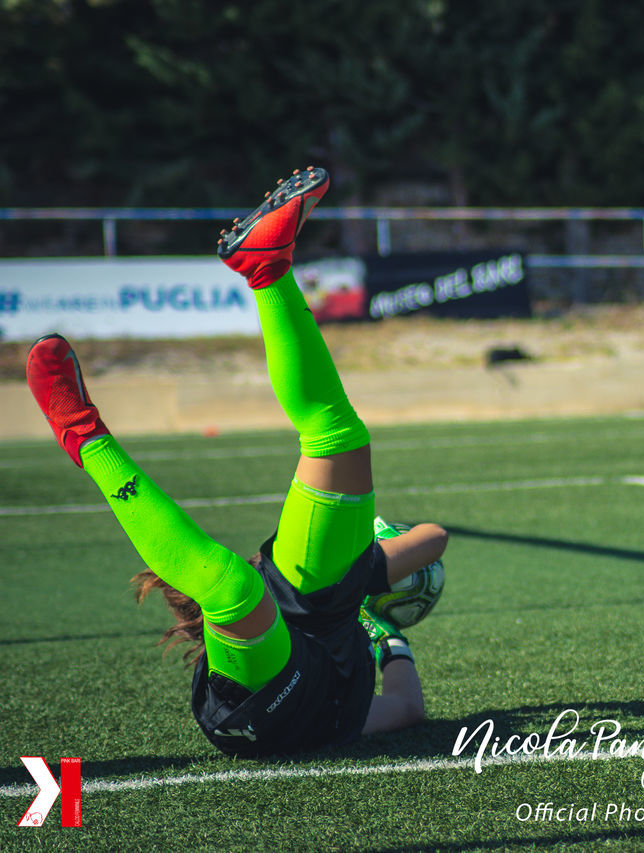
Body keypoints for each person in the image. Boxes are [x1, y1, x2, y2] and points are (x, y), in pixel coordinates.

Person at [25, 166, 448, 757]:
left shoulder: (264, 604)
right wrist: (383, 627)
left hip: (261, 709)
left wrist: (380, 621)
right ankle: (266, 267)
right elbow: (435, 538)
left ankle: (85, 439)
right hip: (327, 628)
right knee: (340, 438)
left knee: (234, 584)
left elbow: (405, 710)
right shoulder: (341, 599)